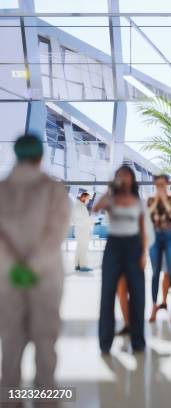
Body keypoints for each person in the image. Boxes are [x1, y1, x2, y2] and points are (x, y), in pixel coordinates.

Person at [0, 134, 70, 390]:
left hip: (7, 277)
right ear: (40, 157)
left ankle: (8, 400)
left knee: (10, 341)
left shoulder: (1, 189)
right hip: (46, 276)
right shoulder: (54, 190)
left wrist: (14, 265)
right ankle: (46, 399)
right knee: (45, 343)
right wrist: (33, 266)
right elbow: (55, 233)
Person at [93, 165, 147, 353]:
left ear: (132, 179)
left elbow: (143, 229)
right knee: (107, 293)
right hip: (113, 246)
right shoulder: (110, 198)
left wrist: (144, 253)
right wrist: (109, 190)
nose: (123, 178)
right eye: (120, 175)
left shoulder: (139, 202)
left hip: (134, 246)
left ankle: (138, 341)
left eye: (126, 175)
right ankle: (105, 343)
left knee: (138, 295)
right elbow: (95, 209)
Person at [148, 174, 171, 323]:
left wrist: (165, 202)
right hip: (155, 236)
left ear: (167, 184)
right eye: (157, 184)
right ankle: (154, 306)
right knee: (155, 273)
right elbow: (147, 218)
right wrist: (157, 201)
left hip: (170, 235)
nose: (159, 187)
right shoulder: (150, 199)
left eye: (162, 184)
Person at [72, 191, 93, 272]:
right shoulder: (79, 207)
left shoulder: (79, 206)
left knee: (80, 248)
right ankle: (82, 266)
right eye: (88, 199)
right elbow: (82, 219)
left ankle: (77, 265)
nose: (88, 201)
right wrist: (91, 221)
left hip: (81, 230)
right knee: (83, 248)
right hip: (82, 230)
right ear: (83, 197)